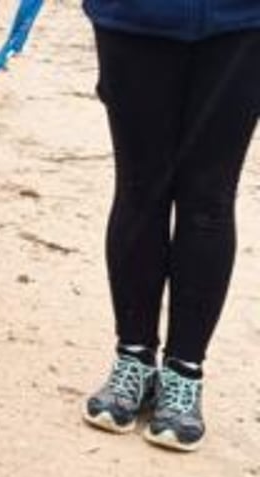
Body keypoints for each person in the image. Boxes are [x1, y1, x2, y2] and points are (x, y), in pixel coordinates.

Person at [80, 1, 260, 451]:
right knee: (140, 189)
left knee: (209, 199)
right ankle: (134, 357)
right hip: (134, 17)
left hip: (242, 24)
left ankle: (185, 371)